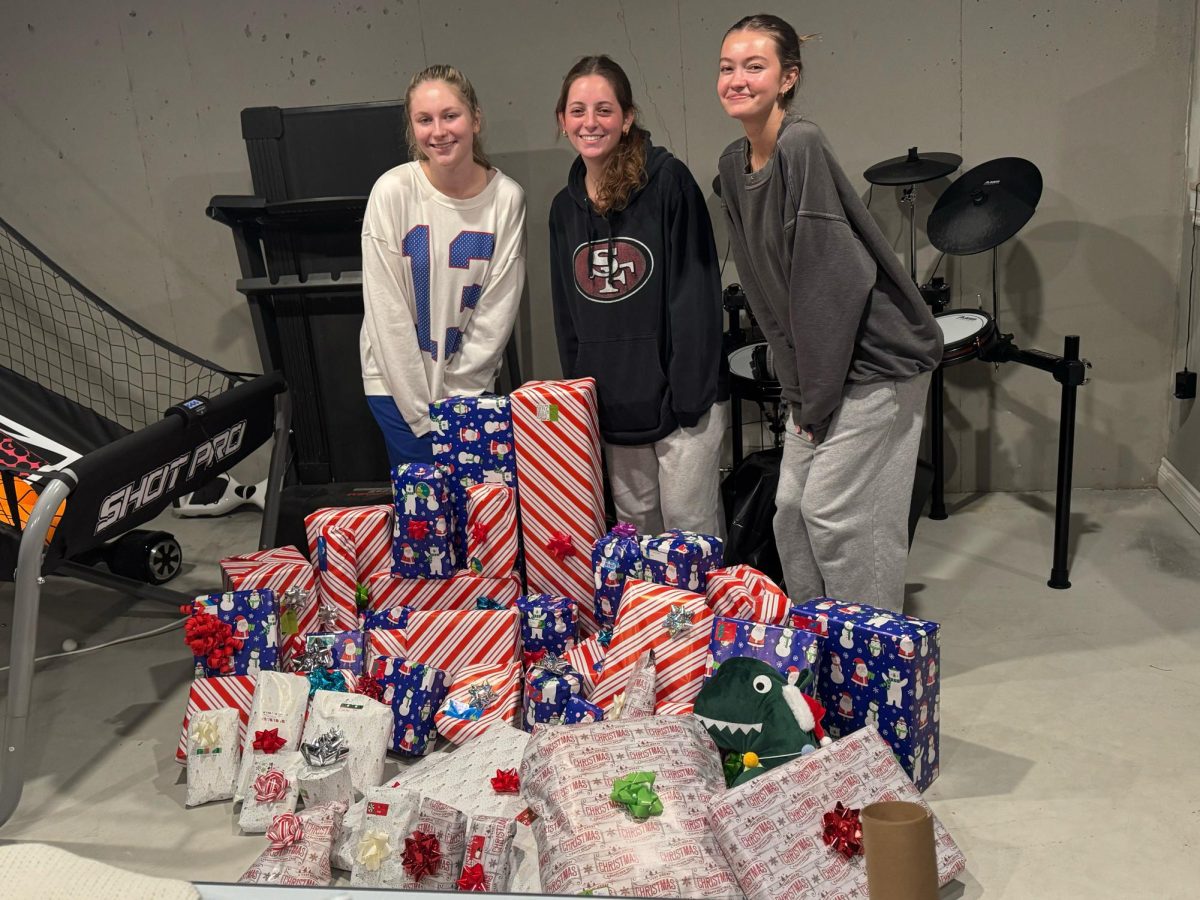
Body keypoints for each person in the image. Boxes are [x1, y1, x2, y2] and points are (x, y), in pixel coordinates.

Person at [715, 15, 942, 610]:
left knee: (838, 516)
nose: (737, 79)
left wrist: (812, 401)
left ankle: (870, 653)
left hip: (878, 358)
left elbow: (831, 284)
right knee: (791, 511)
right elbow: (766, 295)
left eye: (754, 66)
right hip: (820, 369)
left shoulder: (800, 145)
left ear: (788, 78)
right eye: (727, 67)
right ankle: (820, 641)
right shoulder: (732, 169)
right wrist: (799, 392)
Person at [548, 55, 728, 537]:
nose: (591, 122)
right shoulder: (564, 210)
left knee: (690, 536)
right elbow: (567, 317)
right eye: (578, 110)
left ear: (627, 118)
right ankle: (651, 619)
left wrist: (687, 398)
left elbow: (696, 297)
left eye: (604, 110)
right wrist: (584, 401)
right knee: (638, 539)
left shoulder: (669, 182)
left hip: (682, 405)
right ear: (562, 120)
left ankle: (700, 618)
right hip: (614, 409)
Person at [360, 64, 526, 468]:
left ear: (475, 119)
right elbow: (387, 312)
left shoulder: (506, 198)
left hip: (469, 389)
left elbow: (496, 312)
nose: (439, 131)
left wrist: (458, 401)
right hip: (396, 389)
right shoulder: (391, 191)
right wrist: (420, 411)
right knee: (427, 520)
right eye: (425, 119)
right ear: (412, 128)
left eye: (450, 115)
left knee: (479, 517)